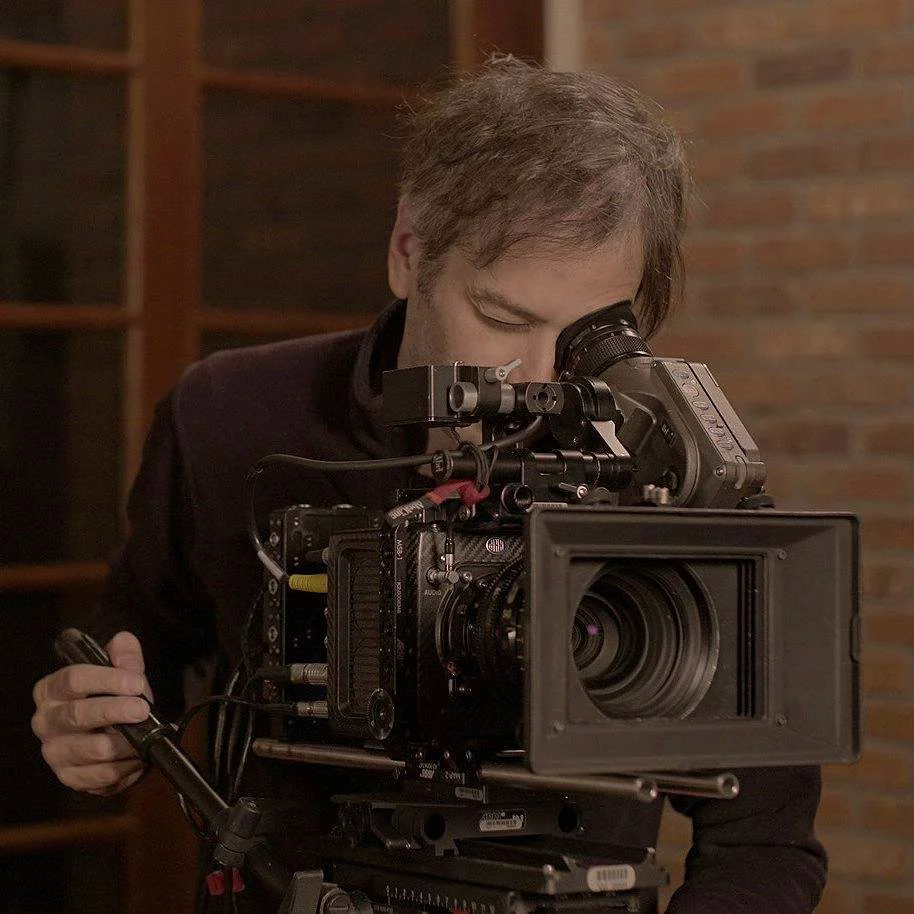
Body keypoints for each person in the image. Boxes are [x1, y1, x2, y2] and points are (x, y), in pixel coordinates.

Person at [31, 57, 827, 913]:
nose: (539, 378)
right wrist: (96, 723)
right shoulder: (230, 413)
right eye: (503, 318)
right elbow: (144, 629)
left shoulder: (679, 490)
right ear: (409, 252)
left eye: (589, 337)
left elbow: (766, 846)